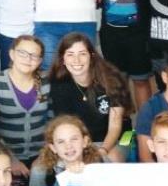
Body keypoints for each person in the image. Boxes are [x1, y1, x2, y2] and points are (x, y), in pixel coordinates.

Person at [49, 32, 131, 163]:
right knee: (47, 168)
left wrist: (102, 151)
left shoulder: (111, 79)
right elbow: (65, 125)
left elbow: (115, 126)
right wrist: (79, 152)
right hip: (80, 142)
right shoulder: (59, 84)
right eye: (70, 55)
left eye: (82, 54)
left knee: (109, 159)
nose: (77, 60)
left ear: (92, 56)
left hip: (117, 138)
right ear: (63, 59)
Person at [0, 36, 51, 176]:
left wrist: (46, 153)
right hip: (4, 156)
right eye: (22, 53)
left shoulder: (46, 83)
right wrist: (10, 159)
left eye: (34, 55)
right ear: (11, 54)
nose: (28, 59)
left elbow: (53, 122)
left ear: (40, 61)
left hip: (41, 155)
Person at [32, 115, 102, 186]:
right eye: (61, 142)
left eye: (74, 139)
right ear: (53, 148)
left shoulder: (100, 163)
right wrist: (67, 177)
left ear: (85, 141)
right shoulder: (41, 172)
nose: (68, 146)